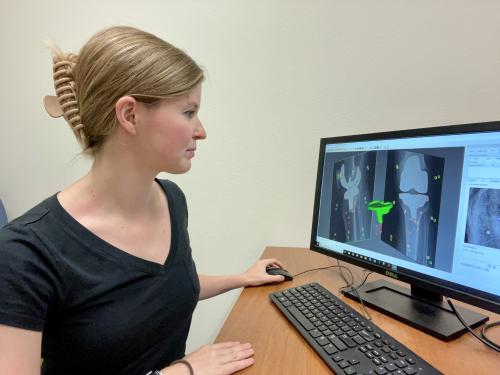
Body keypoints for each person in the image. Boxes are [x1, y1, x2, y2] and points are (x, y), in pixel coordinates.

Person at [0, 26, 286, 375]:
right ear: (130, 115)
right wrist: (184, 372)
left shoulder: (171, 200)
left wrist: (241, 277)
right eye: (188, 112)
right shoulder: (25, 253)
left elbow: (160, 290)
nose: (201, 131)